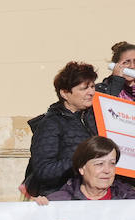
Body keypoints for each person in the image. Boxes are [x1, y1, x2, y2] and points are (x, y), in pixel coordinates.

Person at [19, 61, 98, 198]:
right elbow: (44, 171)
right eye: (84, 88)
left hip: (92, 194)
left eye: (92, 86)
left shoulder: (96, 118)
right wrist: (78, 160)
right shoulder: (51, 124)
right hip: (62, 197)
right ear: (65, 93)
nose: (91, 92)